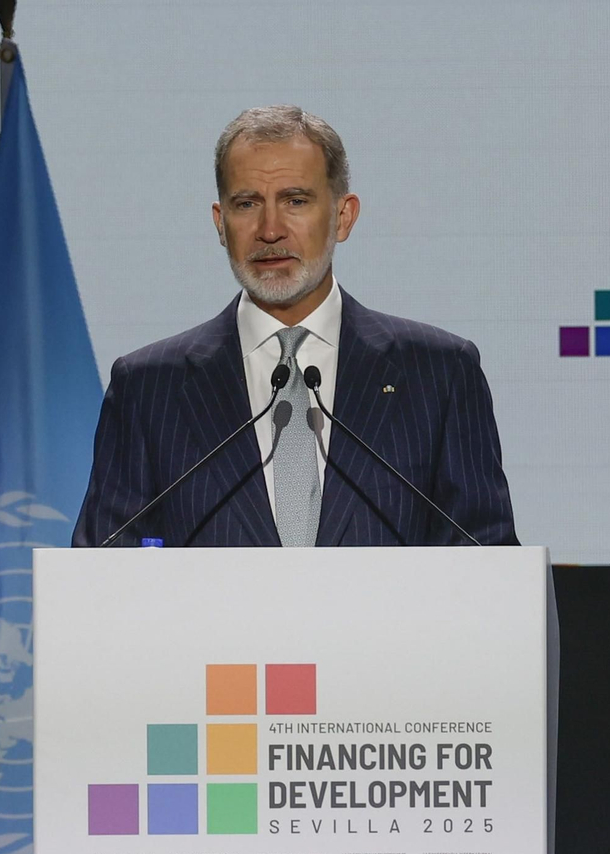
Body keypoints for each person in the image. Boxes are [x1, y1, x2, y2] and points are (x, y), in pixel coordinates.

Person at [72, 105, 517, 548]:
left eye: (295, 201)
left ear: (343, 216)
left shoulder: (440, 375)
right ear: (220, 224)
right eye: (246, 204)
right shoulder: (147, 389)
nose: (270, 230)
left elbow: (489, 565)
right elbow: (100, 573)